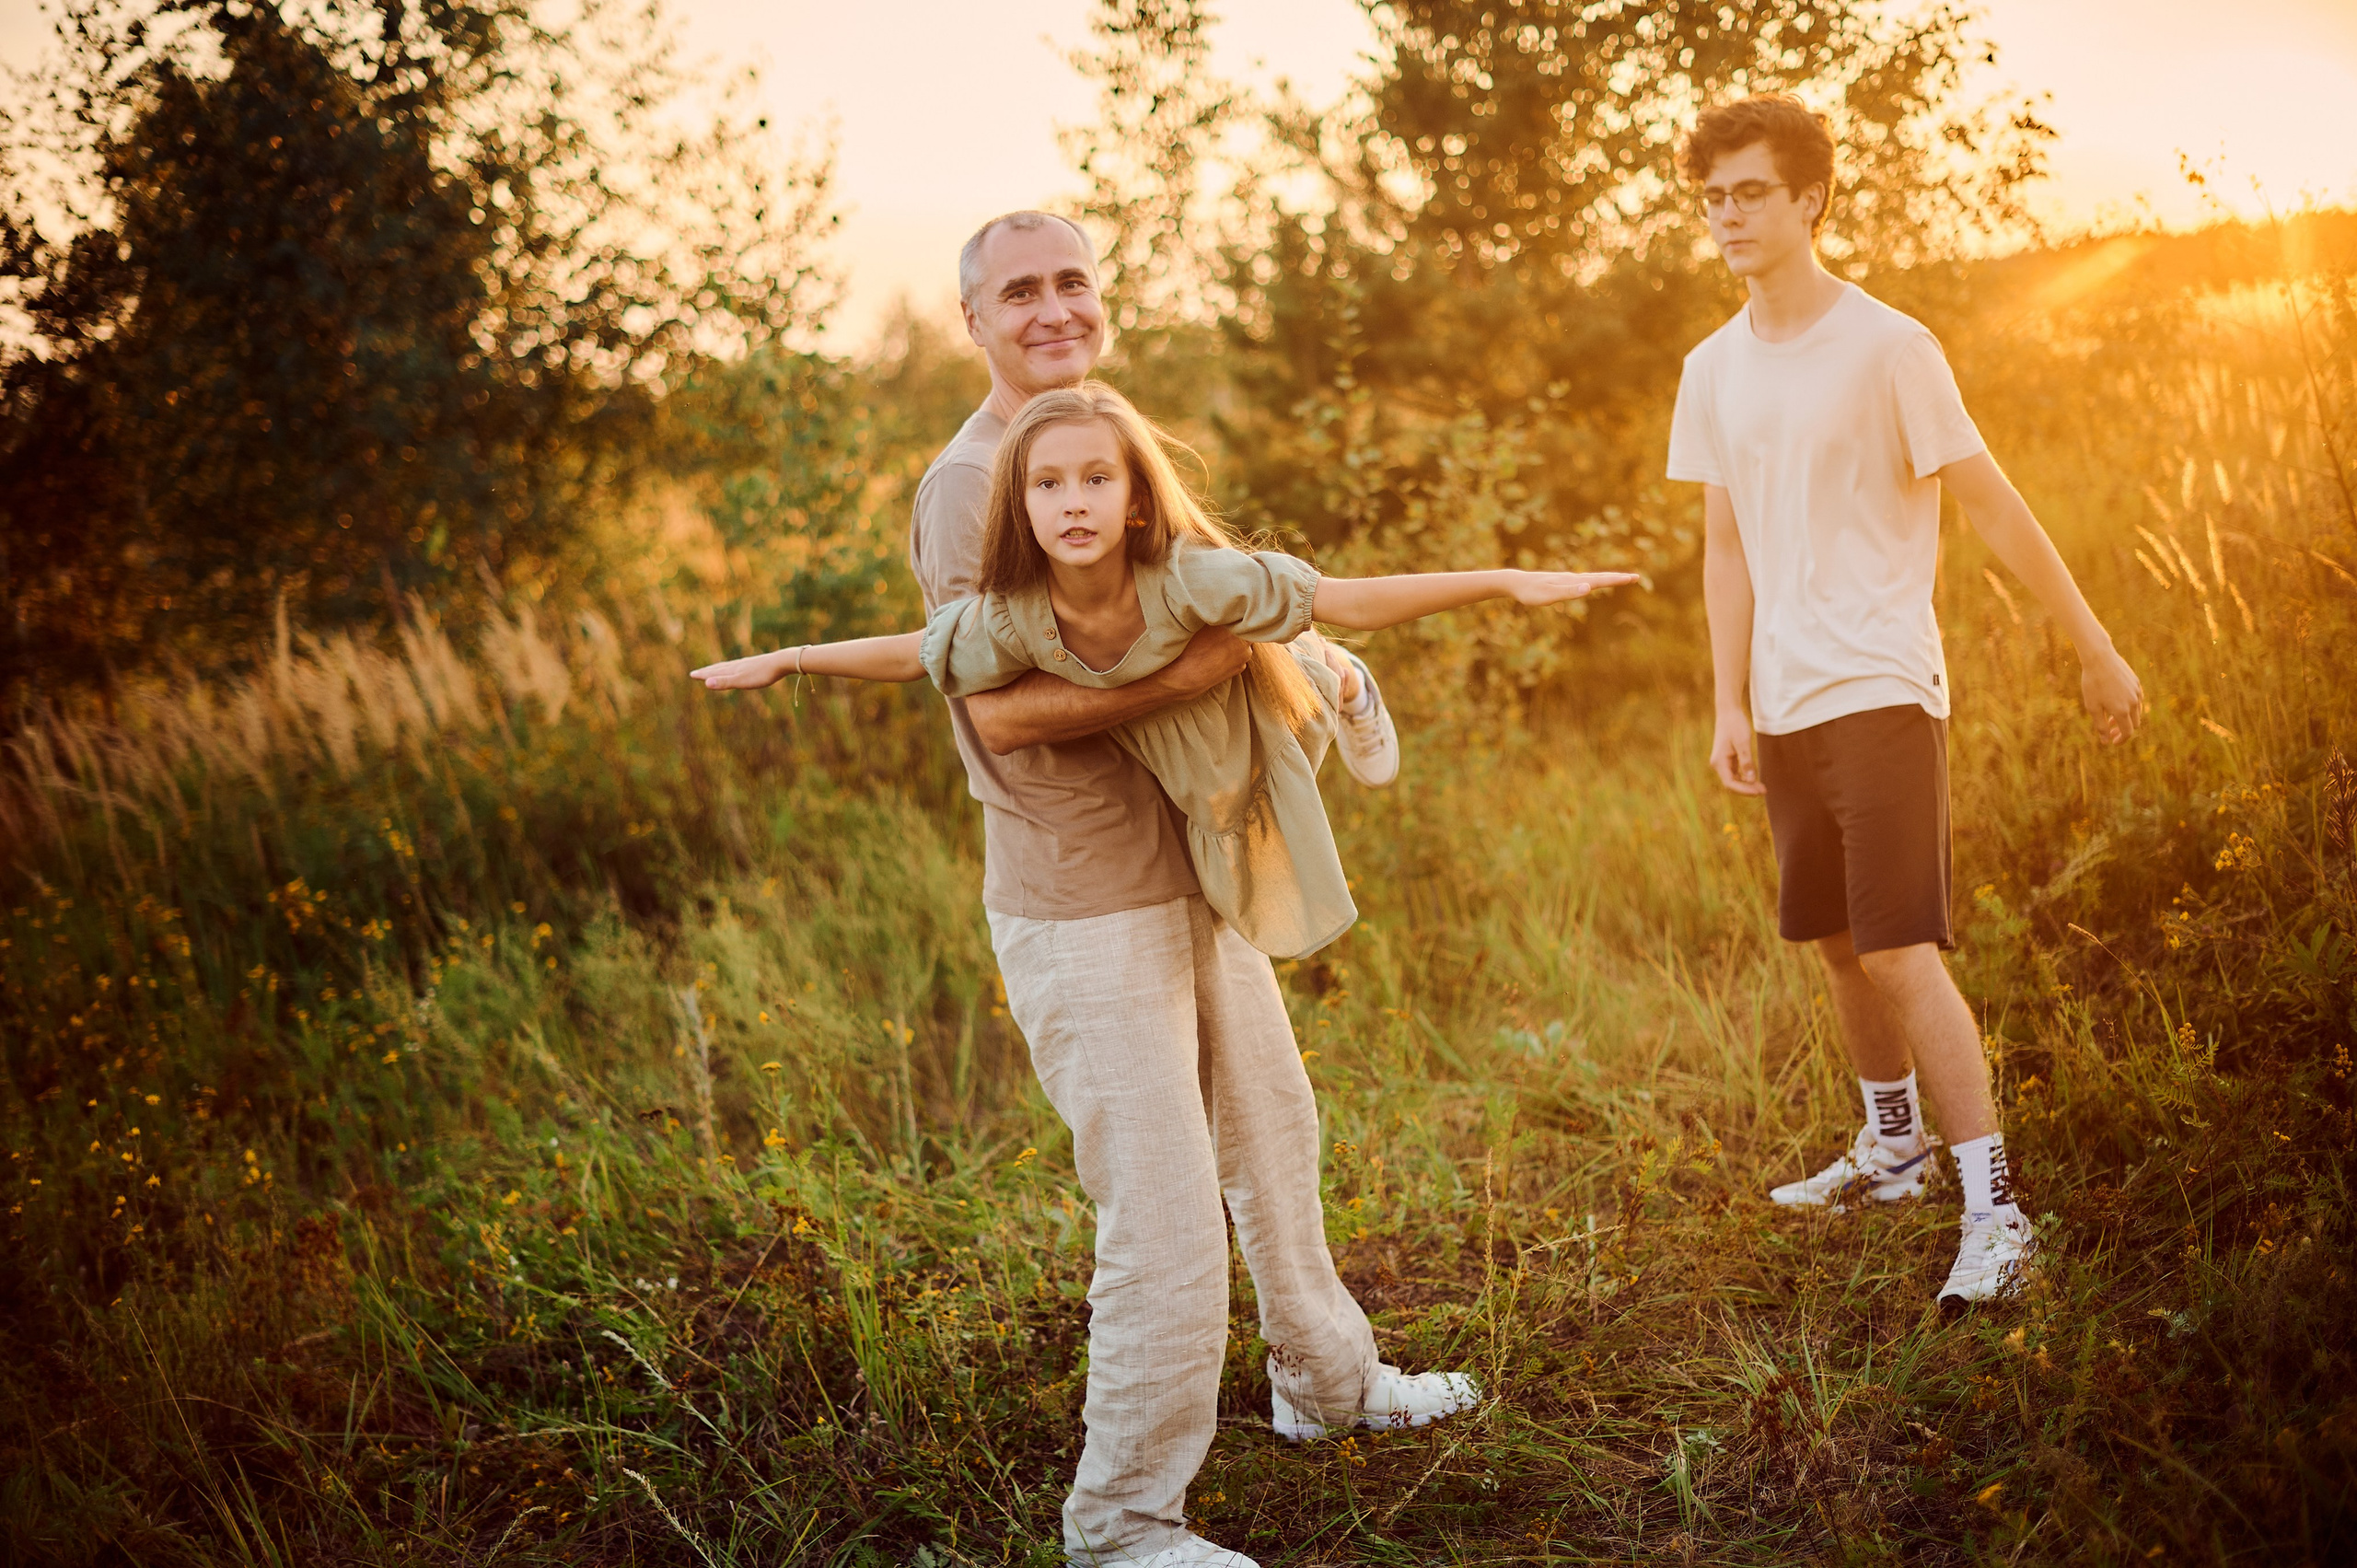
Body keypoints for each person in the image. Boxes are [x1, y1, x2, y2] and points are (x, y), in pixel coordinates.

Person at [714, 212, 1458, 1568]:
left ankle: (1327, 1385)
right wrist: (1218, 665)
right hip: (1085, 897)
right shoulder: (975, 480)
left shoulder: (1092, 433)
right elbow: (998, 709)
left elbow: (1194, 596)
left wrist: (1280, 658)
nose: (1052, 307)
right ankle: (1120, 1523)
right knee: (1165, 1219)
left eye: (1071, 280)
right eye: (1018, 292)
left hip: (1189, 858)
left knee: (1272, 1130)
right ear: (974, 321)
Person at [1666, 96, 2145, 1311]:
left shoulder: (1889, 346)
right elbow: (1725, 547)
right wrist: (1727, 698)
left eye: (1750, 192)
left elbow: (1995, 503)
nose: (1726, 214)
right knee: (1834, 942)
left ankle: (1997, 1209)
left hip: (1881, 685)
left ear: (1810, 198)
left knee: (1898, 945)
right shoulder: (1711, 368)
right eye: (1712, 194)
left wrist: (2093, 645)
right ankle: (1892, 1151)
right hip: (1779, 703)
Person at [691, 381, 1635, 963]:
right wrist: (789, 659)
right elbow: (917, 652)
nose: (1073, 502)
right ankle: (1309, 667)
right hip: (1185, 735)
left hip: (1251, 694)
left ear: (1137, 498)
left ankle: (1342, 681)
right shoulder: (1017, 614)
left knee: (1291, 680)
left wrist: (1506, 581)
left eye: (1096, 479)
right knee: (1225, 845)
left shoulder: (1191, 574)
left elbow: (1352, 592)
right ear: (1018, 505)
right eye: (1047, 484)